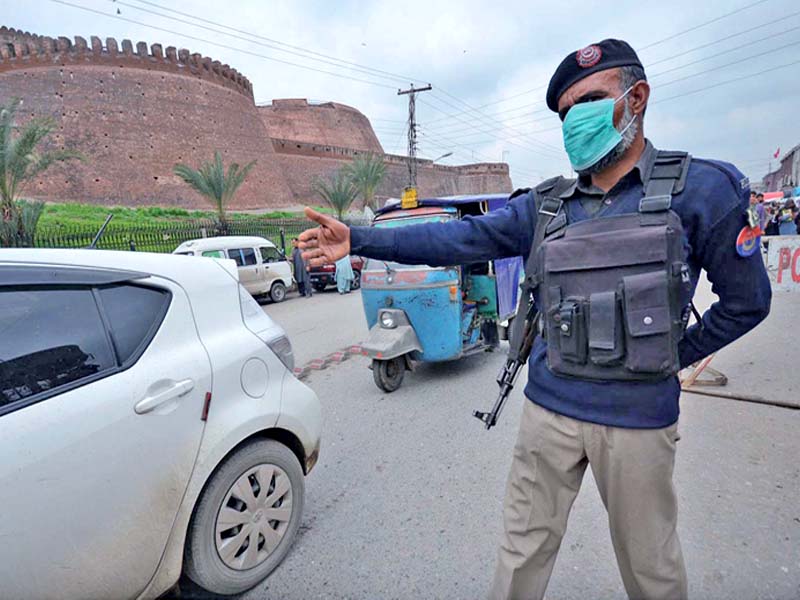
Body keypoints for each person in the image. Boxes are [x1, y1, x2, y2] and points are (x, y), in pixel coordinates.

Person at [299, 38, 771, 600]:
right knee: (520, 558)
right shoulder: (545, 205)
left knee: (652, 571)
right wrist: (359, 239)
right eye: (567, 112)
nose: (576, 120)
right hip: (548, 412)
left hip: (638, 424)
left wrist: (675, 352)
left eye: (591, 101)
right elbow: (454, 238)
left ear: (637, 98)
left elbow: (748, 301)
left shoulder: (702, 189)